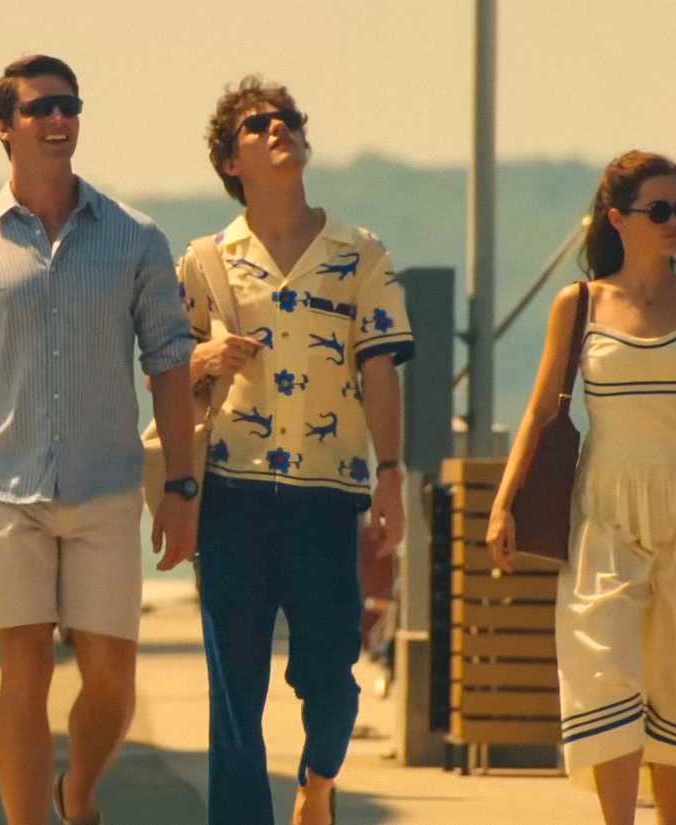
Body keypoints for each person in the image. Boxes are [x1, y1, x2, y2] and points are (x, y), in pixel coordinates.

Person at [0, 54, 197, 825]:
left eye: (68, 105)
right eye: (40, 108)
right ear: (5, 128)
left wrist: (180, 487)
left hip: (106, 485)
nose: (58, 119)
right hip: (2, 491)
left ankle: (79, 789)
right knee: (24, 674)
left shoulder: (136, 237)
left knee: (112, 677)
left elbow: (171, 365)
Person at [486, 150, 676, 825]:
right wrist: (503, 502)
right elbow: (542, 413)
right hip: (605, 504)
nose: (675, 221)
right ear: (618, 218)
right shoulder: (581, 304)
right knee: (605, 665)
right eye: (660, 209)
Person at [183, 76, 412, 825]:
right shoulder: (205, 262)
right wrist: (205, 357)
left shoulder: (360, 252)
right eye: (258, 123)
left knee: (332, 677)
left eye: (286, 119)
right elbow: (168, 379)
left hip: (327, 495)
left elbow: (380, 369)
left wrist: (392, 474)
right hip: (231, 495)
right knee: (235, 693)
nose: (278, 127)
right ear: (231, 161)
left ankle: (319, 780)